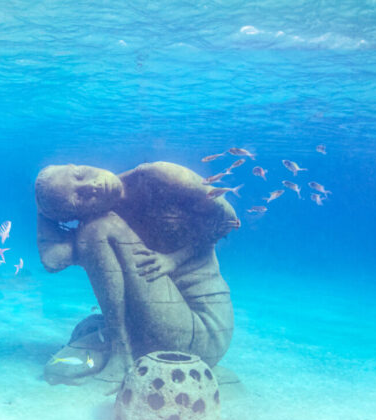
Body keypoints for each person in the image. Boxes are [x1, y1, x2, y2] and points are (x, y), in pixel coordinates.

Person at [35, 161, 238, 384]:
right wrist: (46, 208)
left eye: (80, 175)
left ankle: (121, 351)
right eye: (80, 198)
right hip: (159, 324)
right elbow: (53, 260)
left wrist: (174, 260)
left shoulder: (157, 177)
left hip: (203, 331)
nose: (92, 186)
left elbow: (229, 219)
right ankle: (123, 345)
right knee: (57, 370)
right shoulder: (100, 215)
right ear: (79, 212)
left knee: (96, 229)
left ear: (79, 164)